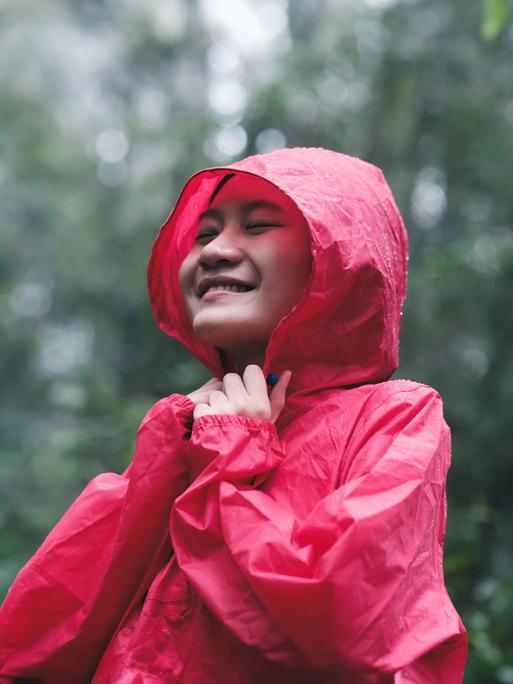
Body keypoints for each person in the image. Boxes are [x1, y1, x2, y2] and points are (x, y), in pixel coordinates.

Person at [0, 147, 467, 682]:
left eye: (258, 226)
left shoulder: (395, 417)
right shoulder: (186, 426)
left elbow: (339, 623)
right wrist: (173, 448)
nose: (216, 250)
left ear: (342, 258)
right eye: (203, 235)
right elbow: (37, 641)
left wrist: (233, 452)